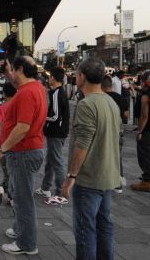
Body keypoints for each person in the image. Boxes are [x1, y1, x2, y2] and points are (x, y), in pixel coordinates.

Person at [62, 58, 121, 260]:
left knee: (85, 230)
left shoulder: (86, 105)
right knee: (104, 225)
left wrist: (71, 176)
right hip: (107, 176)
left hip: (89, 179)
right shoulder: (110, 102)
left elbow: (82, 143)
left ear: (82, 77)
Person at [0, 56, 47, 255]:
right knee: (17, 193)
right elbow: (16, 81)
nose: (11, 75)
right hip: (26, 151)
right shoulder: (35, 87)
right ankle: (19, 229)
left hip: (23, 152)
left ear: (21, 69)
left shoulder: (26, 94)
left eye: (14, 70)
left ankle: (27, 243)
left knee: (23, 200)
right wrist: (8, 71)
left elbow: (23, 127)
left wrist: (2, 149)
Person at [37, 67, 70, 204]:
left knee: (56, 161)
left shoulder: (56, 93)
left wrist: (42, 118)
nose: (48, 79)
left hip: (56, 131)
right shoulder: (58, 92)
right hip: (55, 131)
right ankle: (45, 187)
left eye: (50, 77)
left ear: (53, 78)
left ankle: (60, 193)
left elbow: (56, 116)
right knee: (51, 160)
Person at [0, 82, 17, 205]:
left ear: (4, 93)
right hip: (17, 142)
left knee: (7, 171)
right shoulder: (18, 105)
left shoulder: (2, 107)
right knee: (13, 173)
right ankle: (10, 196)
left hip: (3, 143)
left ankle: (2, 190)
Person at [102, 75, 129, 192]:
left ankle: (105, 180)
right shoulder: (120, 98)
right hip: (119, 130)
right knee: (118, 156)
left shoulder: (102, 98)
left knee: (104, 155)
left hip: (106, 130)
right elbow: (126, 115)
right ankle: (118, 184)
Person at [131, 71, 150, 192]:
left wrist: (139, 132)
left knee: (145, 154)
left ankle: (147, 181)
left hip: (147, 130)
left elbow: (144, 116)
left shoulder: (146, 96)